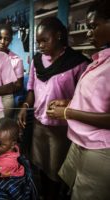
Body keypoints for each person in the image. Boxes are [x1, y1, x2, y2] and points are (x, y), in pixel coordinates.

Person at [17, 17, 89, 200]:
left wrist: (66, 103)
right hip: (40, 124)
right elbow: (32, 89)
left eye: (44, 40)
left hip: (62, 127)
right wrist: (26, 105)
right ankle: (42, 194)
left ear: (58, 36)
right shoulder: (37, 61)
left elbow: (85, 99)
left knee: (56, 170)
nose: (40, 45)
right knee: (39, 164)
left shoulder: (77, 63)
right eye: (38, 42)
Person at [46, 1, 110, 199]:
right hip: (81, 140)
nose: (89, 33)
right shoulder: (101, 59)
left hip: (100, 148)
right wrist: (68, 102)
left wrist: (67, 113)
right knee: (70, 186)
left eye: (93, 26)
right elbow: (95, 99)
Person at [0, 23, 24, 117]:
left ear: (11, 40)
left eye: (6, 39)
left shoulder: (16, 60)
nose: (2, 41)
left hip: (6, 95)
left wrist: (2, 89)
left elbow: (19, 85)